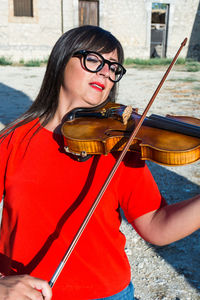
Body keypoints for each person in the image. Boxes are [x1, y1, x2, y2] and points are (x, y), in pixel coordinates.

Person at [0, 25, 199, 300]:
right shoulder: (13, 141)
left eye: (114, 68)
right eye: (94, 60)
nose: (106, 72)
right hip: (23, 292)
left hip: (108, 294)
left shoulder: (119, 146)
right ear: (61, 61)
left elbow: (156, 224)